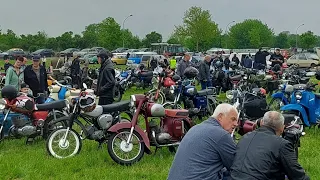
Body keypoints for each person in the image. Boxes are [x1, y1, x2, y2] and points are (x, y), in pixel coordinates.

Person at [230, 111, 310, 180]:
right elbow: (297, 175)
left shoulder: (245, 137)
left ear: (261, 123)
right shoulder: (282, 144)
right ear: (282, 128)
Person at [168, 103, 238, 180]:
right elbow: (237, 166)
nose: (236, 124)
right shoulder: (221, 135)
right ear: (220, 117)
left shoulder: (195, 128)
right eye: (233, 119)